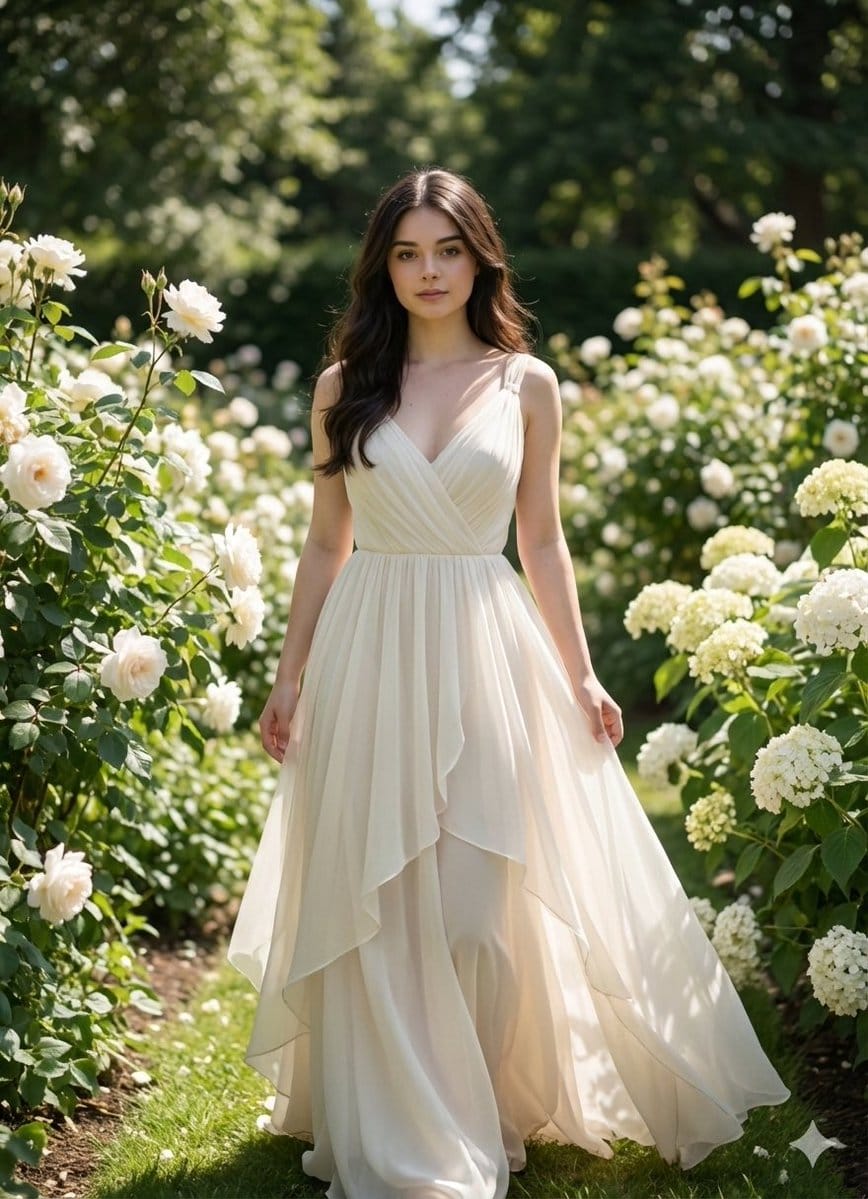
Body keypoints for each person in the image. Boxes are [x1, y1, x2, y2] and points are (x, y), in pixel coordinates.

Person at [228, 167, 790, 1199]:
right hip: (370, 646)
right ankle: (411, 1134)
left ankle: (480, 1103)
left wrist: (581, 674)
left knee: (474, 911)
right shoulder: (340, 385)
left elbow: (541, 536)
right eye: (405, 251)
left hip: (487, 645)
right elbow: (322, 542)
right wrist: (288, 675)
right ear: (382, 265)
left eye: (446, 249)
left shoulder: (526, 383)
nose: (427, 270)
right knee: (381, 899)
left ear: (479, 255)